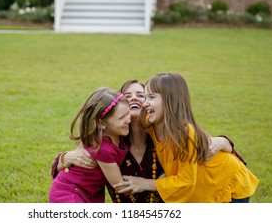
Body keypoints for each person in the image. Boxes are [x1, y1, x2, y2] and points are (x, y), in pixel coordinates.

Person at [51, 79, 238, 203]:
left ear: (150, 103)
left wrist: (224, 142)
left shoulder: (164, 135)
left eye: (141, 95)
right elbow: (74, 173)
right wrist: (63, 159)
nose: (134, 98)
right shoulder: (109, 142)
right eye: (127, 95)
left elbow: (206, 151)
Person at [115, 73, 259, 203]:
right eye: (145, 97)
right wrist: (92, 152)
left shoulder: (184, 132)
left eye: (151, 97)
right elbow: (108, 124)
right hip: (203, 185)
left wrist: (146, 183)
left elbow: (186, 182)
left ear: (170, 100)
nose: (145, 103)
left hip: (226, 184)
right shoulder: (153, 124)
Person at [49, 87, 131, 203]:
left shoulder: (117, 134)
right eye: (122, 117)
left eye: (128, 113)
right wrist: (150, 184)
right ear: (102, 123)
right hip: (69, 192)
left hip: (88, 193)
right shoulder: (103, 148)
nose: (128, 119)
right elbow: (118, 185)